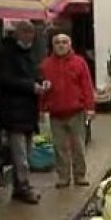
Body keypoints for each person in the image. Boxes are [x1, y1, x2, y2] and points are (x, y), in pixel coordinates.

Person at [40, 32, 95, 188]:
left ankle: (80, 175)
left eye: (64, 42)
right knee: (59, 147)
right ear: (53, 46)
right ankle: (63, 176)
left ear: (70, 45)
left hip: (76, 111)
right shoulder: (46, 65)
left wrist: (90, 107)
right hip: (56, 112)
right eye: (57, 42)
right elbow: (42, 88)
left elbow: (87, 86)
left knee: (78, 145)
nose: (61, 45)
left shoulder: (79, 63)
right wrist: (41, 109)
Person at [0, 21, 43, 204]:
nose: (29, 36)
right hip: (14, 111)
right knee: (20, 154)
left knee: (27, 151)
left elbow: (34, 74)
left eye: (31, 32)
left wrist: (41, 81)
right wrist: (31, 86)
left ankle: (19, 187)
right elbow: (6, 79)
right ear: (17, 33)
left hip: (29, 111)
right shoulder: (6, 54)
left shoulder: (29, 53)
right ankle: (24, 186)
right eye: (25, 32)